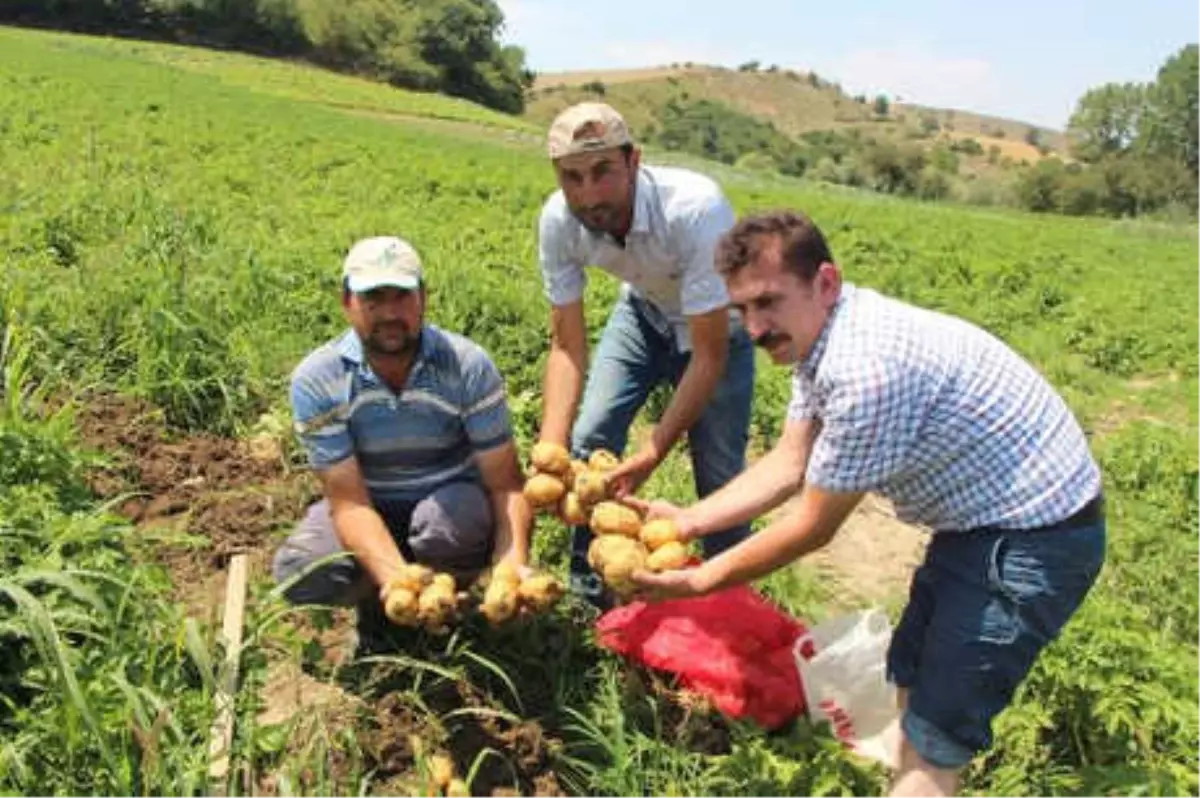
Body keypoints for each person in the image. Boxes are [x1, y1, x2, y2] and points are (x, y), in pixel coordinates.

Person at [631, 210, 1106, 796]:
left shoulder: (866, 371)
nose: (754, 328)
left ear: (825, 281)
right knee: (907, 683)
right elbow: (790, 462)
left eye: (768, 302)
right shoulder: (824, 336)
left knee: (936, 745)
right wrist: (689, 520)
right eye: (742, 310)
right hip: (979, 527)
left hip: (1032, 542)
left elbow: (811, 527)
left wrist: (704, 580)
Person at [534, 101, 755, 606]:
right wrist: (550, 454)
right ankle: (589, 591)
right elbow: (566, 344)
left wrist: (654, 448)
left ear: (634, 161)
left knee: (720, 473)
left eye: (602, 172)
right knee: (589, 438)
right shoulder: (558, 220)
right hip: (643, 315)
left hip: (720, 333)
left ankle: (728, 603)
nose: (589, 194)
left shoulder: (696, 210)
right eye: (572, 177)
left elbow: (709, 354)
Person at [272, 236, 532, 651]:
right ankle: (382, 612)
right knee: (304, 569)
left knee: (452, 525)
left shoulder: (466, 366)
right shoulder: (319, 379)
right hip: (367, 504)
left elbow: (505, 483)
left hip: (447, 507)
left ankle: (451, 603)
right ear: (347, 302)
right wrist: (397, 581)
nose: (391, 313)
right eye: (373, 298)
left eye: (402, 296)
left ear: (423, 298)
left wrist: (513, 562)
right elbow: (349, 502)